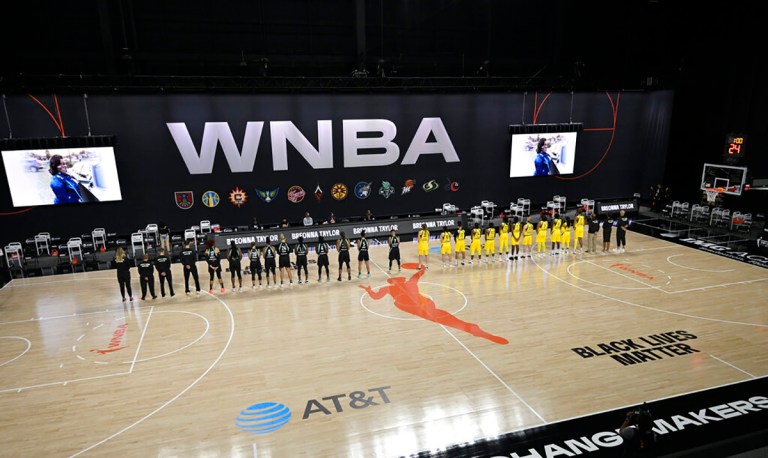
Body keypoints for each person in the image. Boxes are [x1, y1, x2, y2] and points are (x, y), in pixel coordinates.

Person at [359, 268, 508, 345]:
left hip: (416, 308)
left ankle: (471, 328)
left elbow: (376, 297)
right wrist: (422, 269)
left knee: (442, 319)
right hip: (424, 304)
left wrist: (368, 290)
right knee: (443, 317)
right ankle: (472, 328)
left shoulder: (389, 288)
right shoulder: (409, 283)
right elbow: (417, 276)